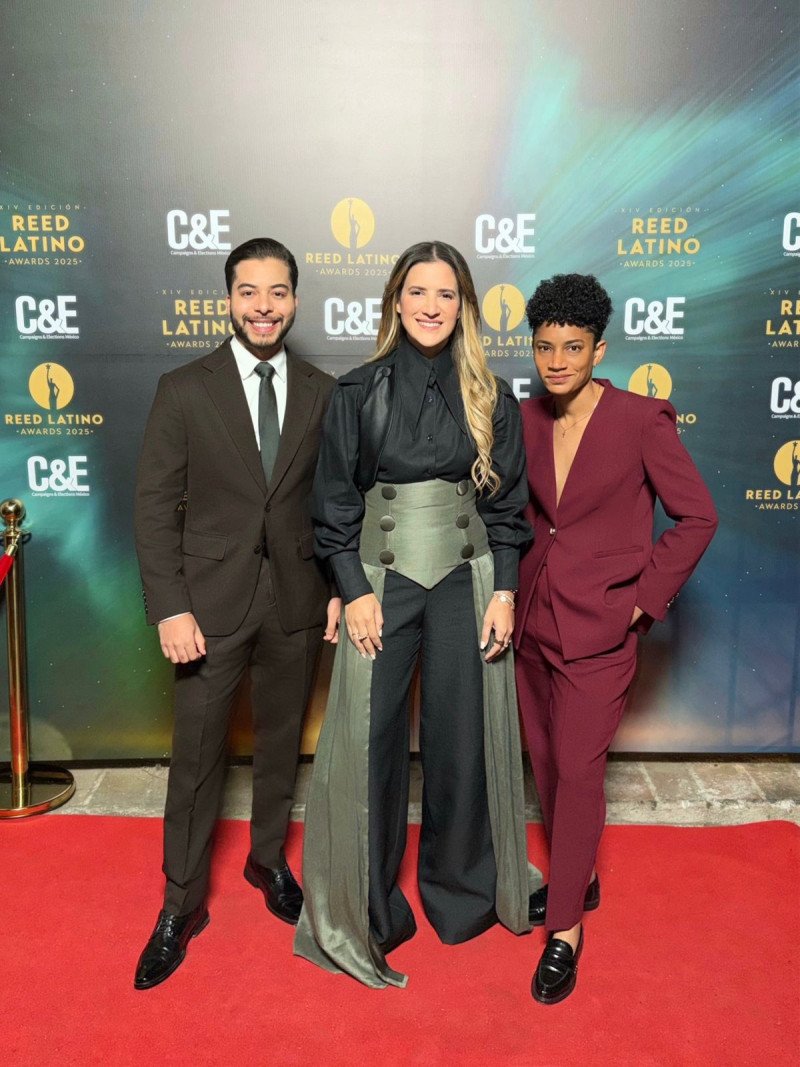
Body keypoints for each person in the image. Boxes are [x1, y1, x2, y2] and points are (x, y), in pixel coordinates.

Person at [293, 241, 540, 988]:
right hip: (382, 581)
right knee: (371, 742)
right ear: (395, 301)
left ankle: (462, 895)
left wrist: (505, 591)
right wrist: (353, 588)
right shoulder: (356, 392)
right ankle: (368, 909)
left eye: (446, 294)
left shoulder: (492, 395)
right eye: (418, 292)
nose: (432, 306)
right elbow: (334, 503)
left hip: (468, 579)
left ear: (464, 307)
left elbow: (507, 507)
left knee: (462, 736)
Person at [133, 237, 338, 990]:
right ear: (228, 299)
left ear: (295, 299)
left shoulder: (323, 390)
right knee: (195, 760)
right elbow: (153, 507)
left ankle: (267, 859)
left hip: (296, 597)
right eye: (248, 291)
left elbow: (334, 501)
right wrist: (170, 607)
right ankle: (181, 903)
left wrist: (338, 586)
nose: (263, 306)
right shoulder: (184, 388)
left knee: (282, 745)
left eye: (277, 291)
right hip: (207, 606)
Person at [514, 273, 718, 1004]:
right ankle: (581, 877)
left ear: (599, 349)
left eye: (572, 347)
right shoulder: (525, 417)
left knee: (578, 768)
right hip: (532, 619)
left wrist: (642, 601)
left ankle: (566, 928)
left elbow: (697, 516)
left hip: (601, 626)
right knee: (546, 761)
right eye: (545, 347)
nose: (557, 361)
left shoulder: (639, 419)